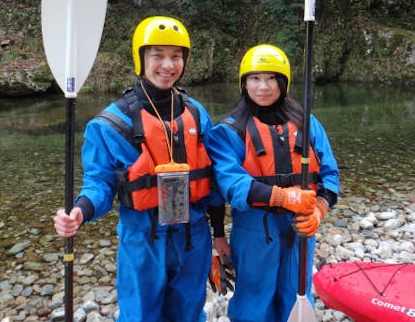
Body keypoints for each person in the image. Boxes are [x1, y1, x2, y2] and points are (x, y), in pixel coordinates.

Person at [53, 16, 229, 322]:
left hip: (194, 236)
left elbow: (212, 183)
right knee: (140, 317)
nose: (168, 65)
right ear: (141, 59)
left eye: (176, 57)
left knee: (189, 314)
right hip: (143, 238)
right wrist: (80, 210)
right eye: (157, 56)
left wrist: (218, 234)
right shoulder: (111, 125)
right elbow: (99, 184)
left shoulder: (197, 114)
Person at [206, 44, 340, 322]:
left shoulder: (308, 122)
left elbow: (329, 174)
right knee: (254, 300)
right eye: (254, 78)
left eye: (271, 78)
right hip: (255, 228)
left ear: (284, 82)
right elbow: (231, 184)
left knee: (296, 293)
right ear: (244, 83)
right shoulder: (228, 131)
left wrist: (319, 209)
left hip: (302, 225)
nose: (263, 87)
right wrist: (284, 197)